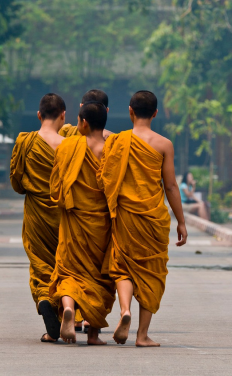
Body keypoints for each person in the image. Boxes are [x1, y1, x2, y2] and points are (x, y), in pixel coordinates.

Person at [97, 90, 188, 347]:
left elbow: (105, 178)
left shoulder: (117, 141)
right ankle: (142, 335)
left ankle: (124, 310)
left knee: (122, 266)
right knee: (151, 271)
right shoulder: (164, 145)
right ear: (156, 114)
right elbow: (170, 186)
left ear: (130, 111)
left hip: (125, 214)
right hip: (152, 218)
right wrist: (181, 221)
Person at [49, 101, 116, 345]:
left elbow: (56, 185)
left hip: (74, 220)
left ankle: (69, 307)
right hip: (101, 224)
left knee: (68, 270)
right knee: (99, 278)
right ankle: (94, 335)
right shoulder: (113, 149)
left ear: (84, 122)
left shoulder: (68, 146)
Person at [10, 93, 66, 343]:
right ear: (63, 116)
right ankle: (67, 311)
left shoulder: (26, 141)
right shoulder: (69, 146)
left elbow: (16, 181)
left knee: (41, 263)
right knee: (64, 263)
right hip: (64, 216)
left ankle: (44, 298)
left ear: (39, 115)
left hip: (36, 213)